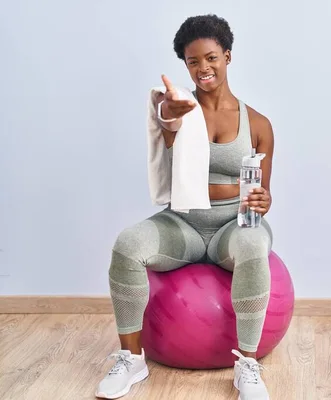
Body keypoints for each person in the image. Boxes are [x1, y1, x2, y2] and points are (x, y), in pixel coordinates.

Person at [95, 14, 275, 400]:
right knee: (127, 244)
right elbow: (167, 122)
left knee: (253, 247)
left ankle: (247, 366)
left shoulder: (258, 123)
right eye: (193, 62)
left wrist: (264, 199)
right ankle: (132, 359)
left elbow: (264, 192)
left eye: (211, 57)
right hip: (184, 223)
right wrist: (170, 115)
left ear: (227, 56)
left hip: (233, 224)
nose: (203, 68)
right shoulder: (177, 109)